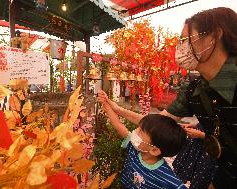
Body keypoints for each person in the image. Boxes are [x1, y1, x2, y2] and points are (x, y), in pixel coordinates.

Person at [98, 7, 237, 189]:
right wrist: (116, 109)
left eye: (186, 40)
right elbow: (157, 123)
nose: (180, 47)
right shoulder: (193, 90)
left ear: (214, 36)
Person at [99, 99, 187, 188]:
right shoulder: (135, 149)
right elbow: (118, 125)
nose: (135, 131)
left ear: (154, 150)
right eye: (138, 128)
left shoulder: (166, 177)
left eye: (140, 132)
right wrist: (107, 105)